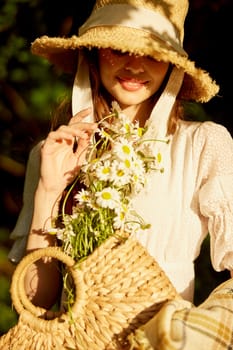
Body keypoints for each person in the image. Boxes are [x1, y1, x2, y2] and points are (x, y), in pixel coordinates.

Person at [8, 0, 233, 311]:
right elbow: (35, 304)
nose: (135, 66)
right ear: (93, 56)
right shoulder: (54, 153)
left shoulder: (202, 145)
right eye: (119, 49)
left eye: (153, 55)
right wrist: (48, 191)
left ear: (172, 66)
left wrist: (206, 329)